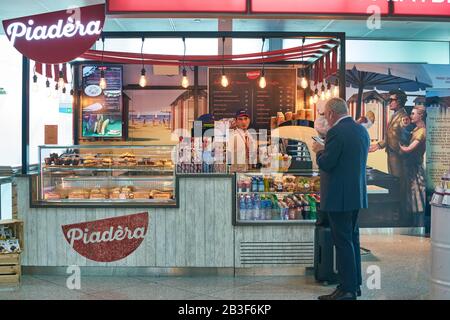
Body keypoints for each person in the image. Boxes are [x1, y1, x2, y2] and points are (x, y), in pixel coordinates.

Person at [312, 98, 370, 300]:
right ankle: (355, 285)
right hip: (356, 195)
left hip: (339, 196)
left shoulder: (335, 132)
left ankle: (346, 290)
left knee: (343, 242)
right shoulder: (361, 130)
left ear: (331, 113)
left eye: (325, 114)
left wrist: (319, 151)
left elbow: (328, 163)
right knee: (352, 240)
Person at [369, 89, 409, 179]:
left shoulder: (404, 117)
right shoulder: (394, 116)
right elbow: (391, 135)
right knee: (393, 182)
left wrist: (401, 155)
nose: (389, 102)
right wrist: (378, 145)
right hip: (392, 156)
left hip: (399, 157)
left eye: (391, 100)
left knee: (399, 183)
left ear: (398, 101)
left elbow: (406, 140)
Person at [399, 105, 426, 216]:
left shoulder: (422, 131)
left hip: (416, 167)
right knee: (412, 193)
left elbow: (409, 148)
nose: (411, 116)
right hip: (411, 165)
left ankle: (418, 220)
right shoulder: (415, 129)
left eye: (413, 113)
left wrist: (398, 145)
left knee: (417, 193)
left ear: (421, 115)